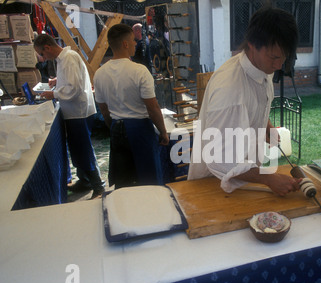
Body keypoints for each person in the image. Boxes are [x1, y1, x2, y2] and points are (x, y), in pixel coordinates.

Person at [187, 7, 300, 197]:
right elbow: (219, 159)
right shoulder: (231, 90)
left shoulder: (262, 69)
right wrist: (268, 178)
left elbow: (254, 103)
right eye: (274, 57)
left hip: (245, 178)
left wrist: (265, 124)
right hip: (213, 184)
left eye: (284, 57)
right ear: (252, 45)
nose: (279, 65)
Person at [93, 23, 169, 189]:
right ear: (125, 44)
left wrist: (113, 126)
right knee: (149, 181)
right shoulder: (139, 71)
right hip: (139, 128)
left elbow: (104, 110)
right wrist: (163, 132)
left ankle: (125, 212)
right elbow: (153, 107)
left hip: (116, 127)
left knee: (124, 182)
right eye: (134, 41)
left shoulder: (99, 74)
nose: (136, 43)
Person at [34, 34, 105, 199]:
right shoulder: (63, 59)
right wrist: (58, 81)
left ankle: (98, 185)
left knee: (82, 149)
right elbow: (72, 79)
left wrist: (53, 94)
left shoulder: (68, 58)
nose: (43, 58)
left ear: (48, 48)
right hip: (74, 111)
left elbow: (74, 89)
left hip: (78, 112)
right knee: (77, 149)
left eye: (42, 54)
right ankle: (85, 181)